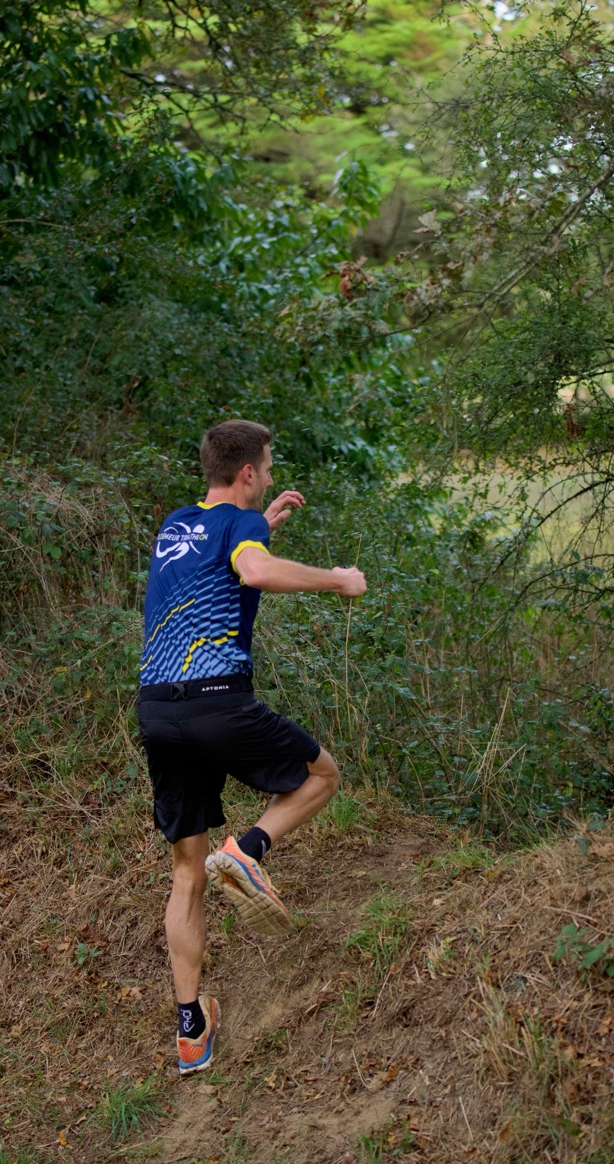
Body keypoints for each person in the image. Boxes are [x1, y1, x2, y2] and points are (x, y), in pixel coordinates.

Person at [137, 419, 367, 1076]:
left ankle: (190, 1031)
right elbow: (254, 570)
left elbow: (220, 559)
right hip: (217, 701)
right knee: (322, 776)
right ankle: (248, 851)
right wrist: (338, 579)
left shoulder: (176, 526)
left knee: (186, 873)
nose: (267, 476)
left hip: (158, 710)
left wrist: (259, 524)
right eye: (265, 469)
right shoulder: (240, 528)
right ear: (246, 473)